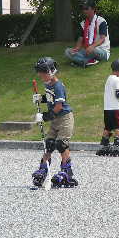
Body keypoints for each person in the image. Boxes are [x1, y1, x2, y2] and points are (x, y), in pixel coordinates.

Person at [30, 57, 77, 188]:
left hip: (64, 118)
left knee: (61, 144)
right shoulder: (48, 84)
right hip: (55, 120)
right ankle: (43, 168)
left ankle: (66, 171)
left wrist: (44, 117)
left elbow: (59, 106)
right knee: (49, 144)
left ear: (50, 71)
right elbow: (51, 98)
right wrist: (41, 98)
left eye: (42, 72)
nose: (40, 75)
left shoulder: (58, 85)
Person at [97, 59, 119, 157]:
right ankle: (118, 144)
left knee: (108, 127)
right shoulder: (117, 79)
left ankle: (104, 144)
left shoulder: (109, 78)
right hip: (115, 108)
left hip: (107, 108)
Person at [64, 0, 111, 68]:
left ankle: (79, 61)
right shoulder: (83, 23)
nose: (84, 11)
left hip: (100, 50)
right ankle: (88, 61)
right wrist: (77, 48)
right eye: (83, 9)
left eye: (86, 8)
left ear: (93, 9)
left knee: (94, 50)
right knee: (67, 51)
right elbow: (80, 38)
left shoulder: (101, 21)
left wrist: (92, 46)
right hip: (87, 50)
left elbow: (102, 39)